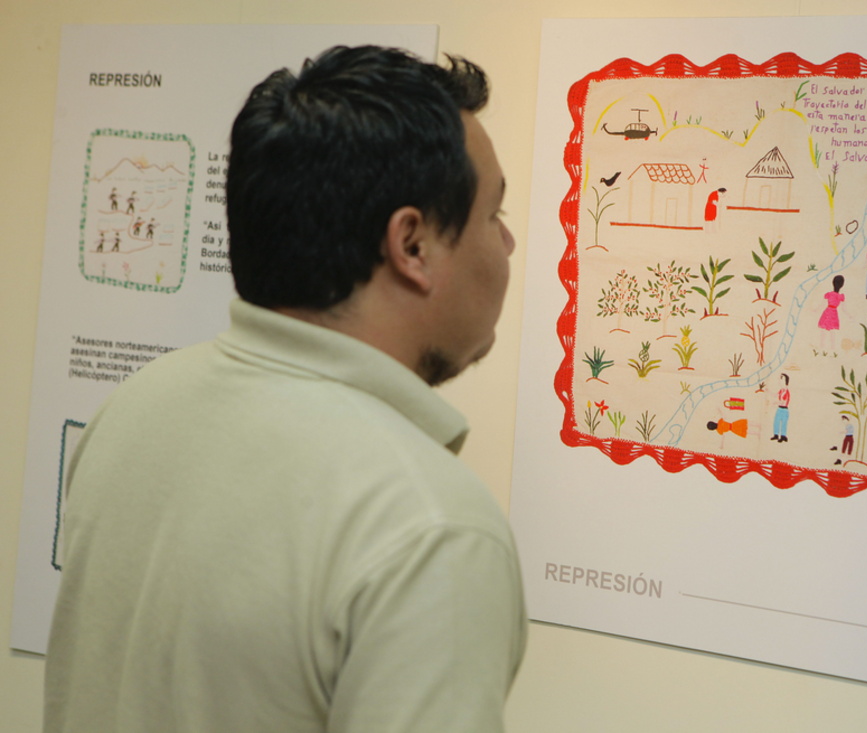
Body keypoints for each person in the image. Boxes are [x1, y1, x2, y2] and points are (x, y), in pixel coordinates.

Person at [45, 45, 525, 733]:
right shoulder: (430, 526)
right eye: (492, 215)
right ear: (412, 245)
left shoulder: (134, 408)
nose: (506, 246)